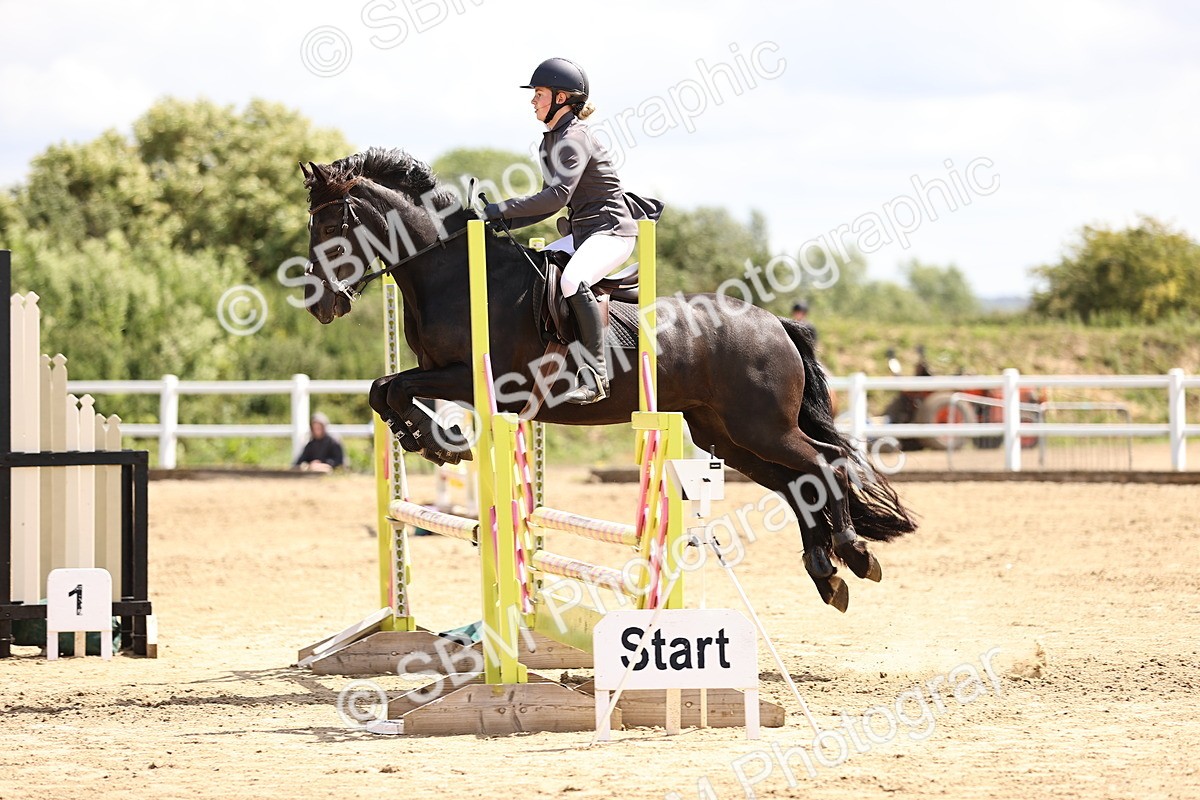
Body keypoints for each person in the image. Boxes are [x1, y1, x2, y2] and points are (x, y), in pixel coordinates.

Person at [483, 57, 663, 404]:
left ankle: (595, 376)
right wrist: (497, 221)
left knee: (570, 281)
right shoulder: (550, 140)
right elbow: (546, 203)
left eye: (539, 93)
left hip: (611, 232)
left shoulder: (575, 137)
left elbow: (556, 196)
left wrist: (500, 209)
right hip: (585, 233)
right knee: (535, 271)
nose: (533, 100)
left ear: (561, 98)